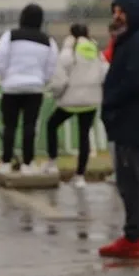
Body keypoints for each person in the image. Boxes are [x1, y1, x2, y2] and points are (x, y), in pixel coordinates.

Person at [98, 0, 139, 260]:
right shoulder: (130, 39)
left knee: (130, 179)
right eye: (114, 11)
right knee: (134, 177)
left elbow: (136, 82)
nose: (116, 16)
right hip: (126, 116)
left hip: (131, 116)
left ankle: (134, 236)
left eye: (121, 11)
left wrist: (112, 102)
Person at [0, 3, 58, 175]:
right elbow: (51, 67)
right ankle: (28, 164)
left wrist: (6, 77)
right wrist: (41, 81)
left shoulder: (10, 36)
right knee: (30, 127)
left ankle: (6, 162)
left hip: (11, 87)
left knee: (10, 126)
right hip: (34, 88)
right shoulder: (48, 41)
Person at [44, 24, 106, 188]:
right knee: (84, 135)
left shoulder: (67, 53)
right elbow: (104, 72)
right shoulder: (95, 51)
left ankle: (52, 162)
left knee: (52, 125)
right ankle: (80, 176)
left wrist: (56, 94)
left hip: (70, 100)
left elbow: (60, 79)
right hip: (91, 100)